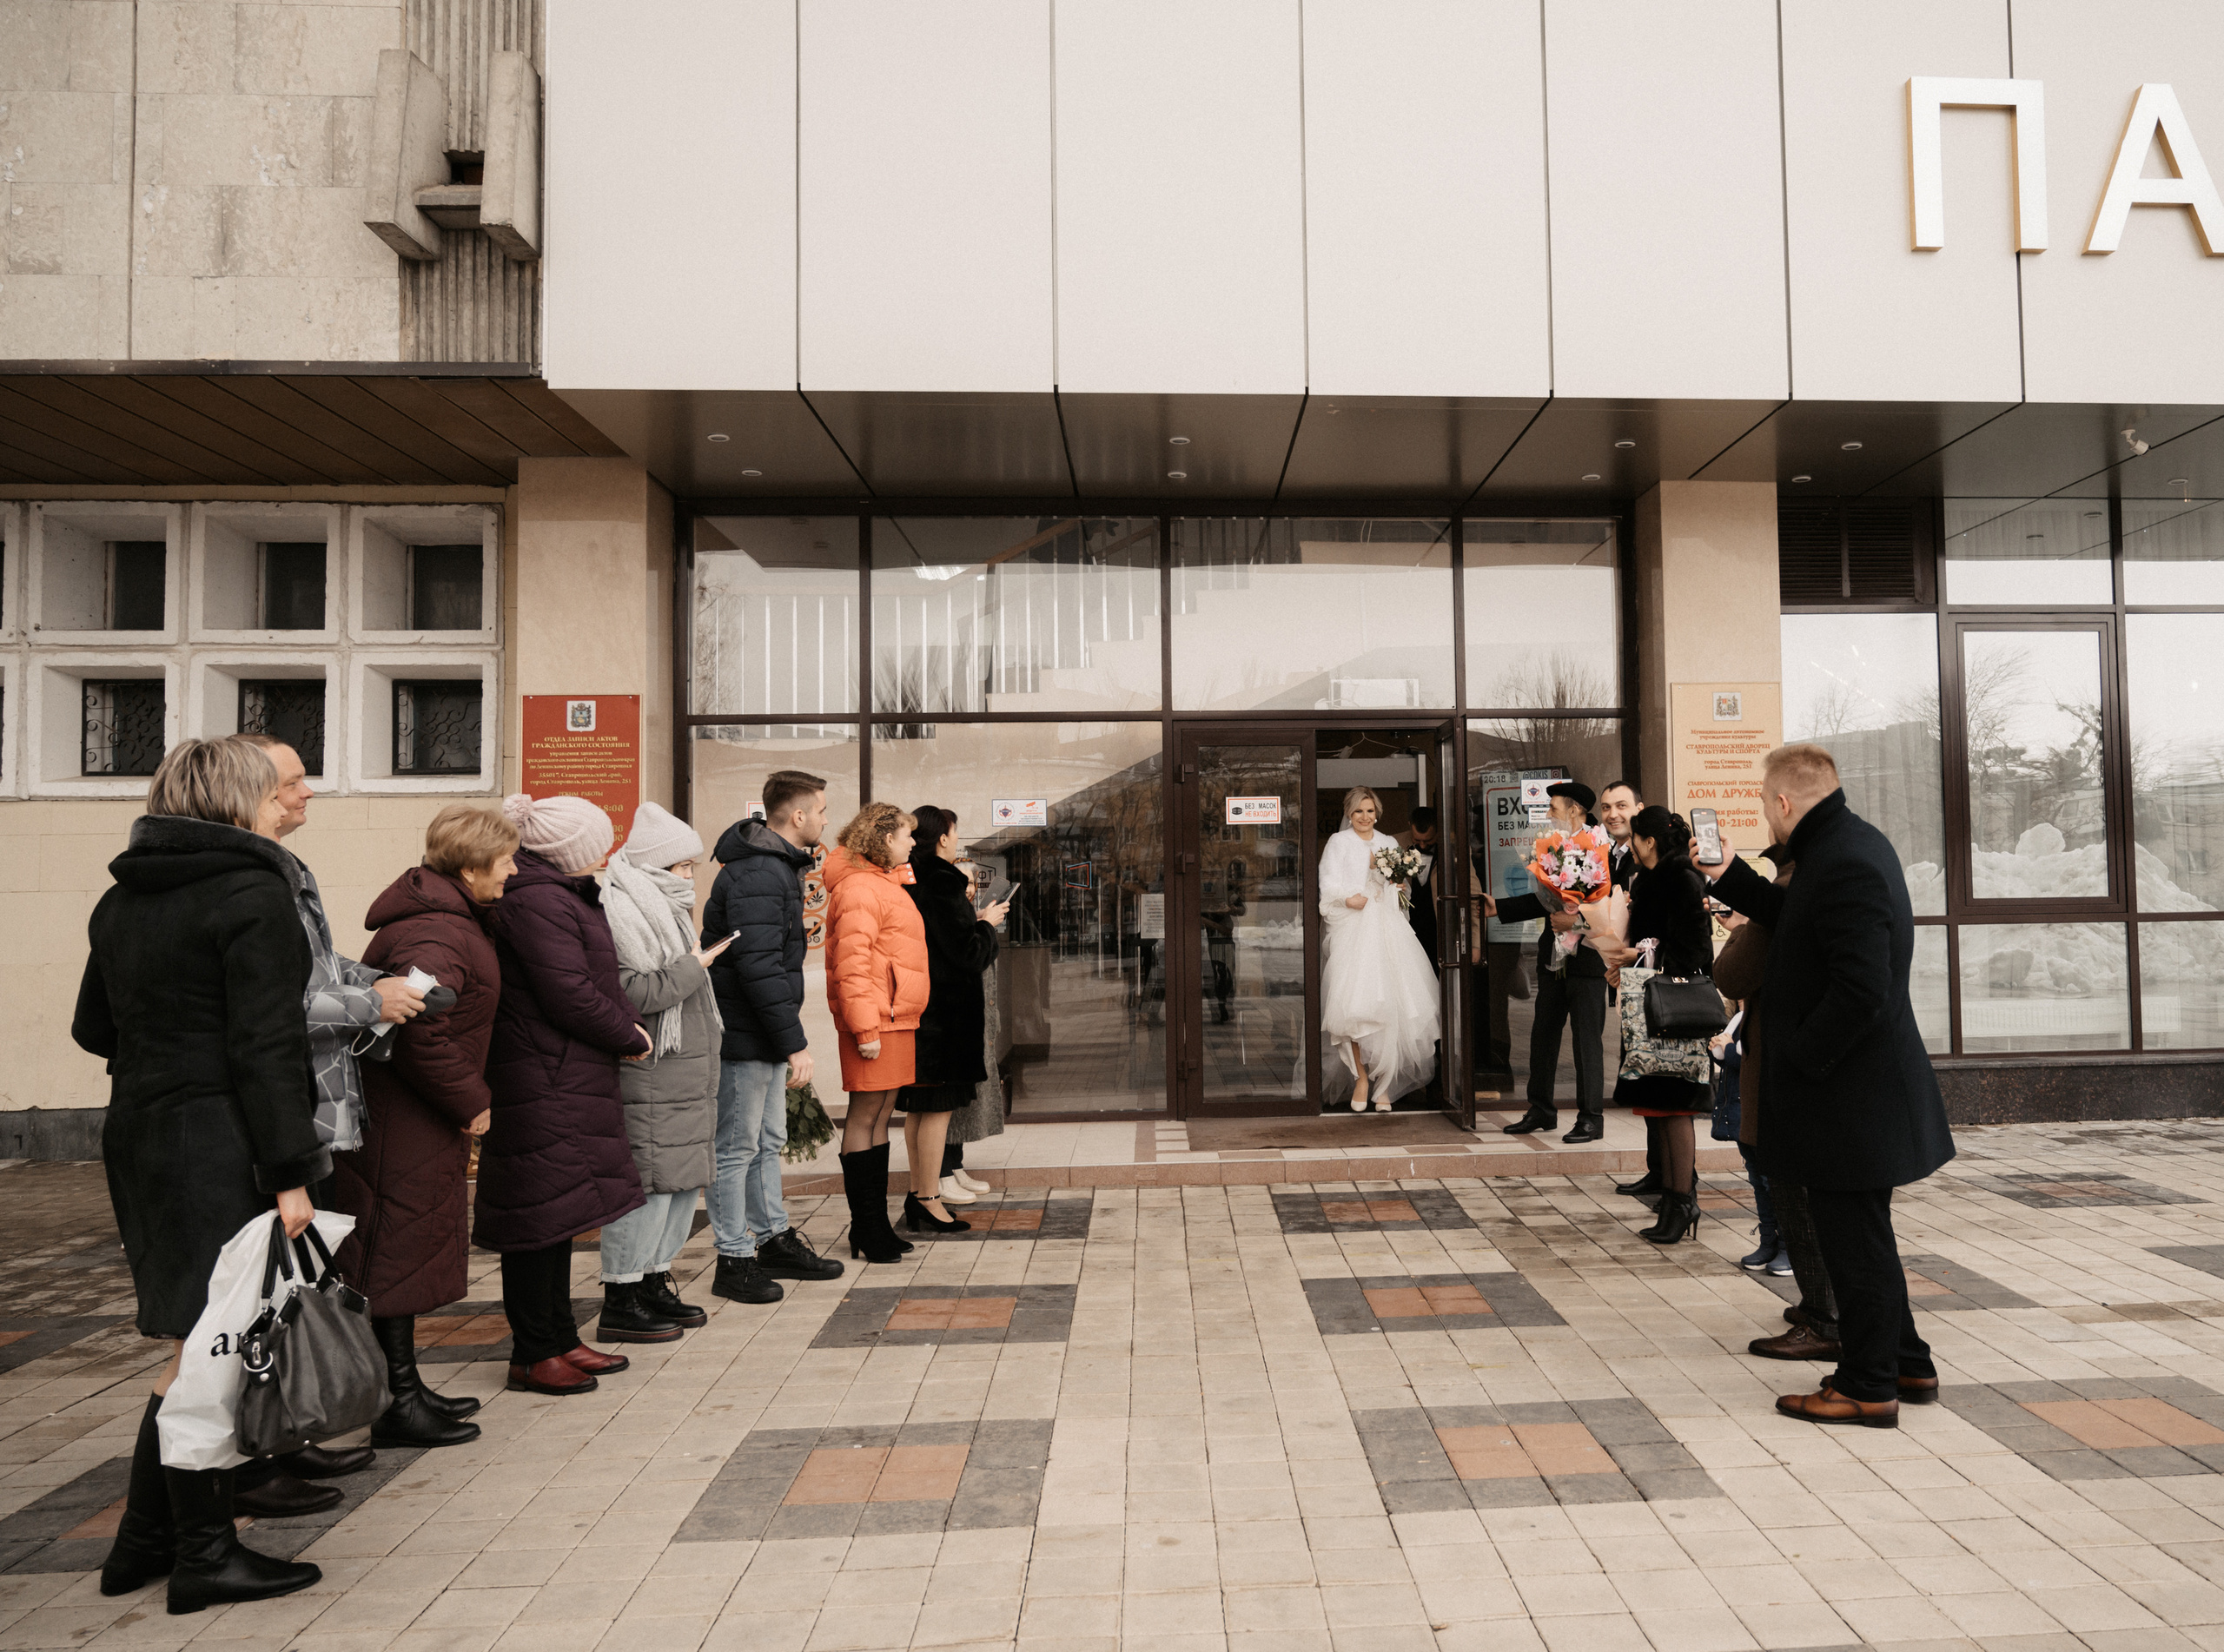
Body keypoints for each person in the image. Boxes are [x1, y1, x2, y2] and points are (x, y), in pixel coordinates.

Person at [71, 737, 325, 1614]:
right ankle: (205, 1557)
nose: (288, 804)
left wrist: (168, 1052)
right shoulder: (254, 894)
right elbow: (267, 1046)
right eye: (273, 789)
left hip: (142, 1130)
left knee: (191, 1342)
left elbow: (93, 1029)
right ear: (235, 799)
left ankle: (142, 1544)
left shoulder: (121, 898)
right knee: (214, 1351)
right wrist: (291, 1172)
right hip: (222, 1141)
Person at [1701, 743, 1954, 1428]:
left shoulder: (1842, 861)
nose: (1764, 811)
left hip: (1851, 1096)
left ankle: (1867, 1385)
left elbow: (1862, 990)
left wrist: (1799, 1062)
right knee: (1864, 1235)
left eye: (1763, 802)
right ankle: (1907, 1360)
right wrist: (1725, 873)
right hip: (1855, 1093)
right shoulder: (1837, 847)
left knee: (1854, 1243)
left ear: (1783, 802)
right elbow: (1793, 917)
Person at [236, 734, 428, 1508]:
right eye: (292, 782)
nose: (308, 792)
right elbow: (267, 1008)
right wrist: (369, 1002)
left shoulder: (282, 872)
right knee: (257, 1299)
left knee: (294, 1287)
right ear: (247, 792)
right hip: (282, 1114)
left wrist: (374, 979)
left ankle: (285, 1431)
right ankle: (248, 1461)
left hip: (317, 1103)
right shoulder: (247, 886)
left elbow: (311, 970)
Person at [330, 805, 517, 1449]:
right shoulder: (437, 935)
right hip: (403, 1119)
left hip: (413, 1116)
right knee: (393, 1251)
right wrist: (469, 1098)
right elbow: (419, 1029)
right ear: (470, 867)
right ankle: (396, 1402)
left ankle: (403, 1388)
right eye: (505, 860)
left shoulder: (450, 921)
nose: (513, 871)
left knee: (403, 1250)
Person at [477, 794, 653, 1396]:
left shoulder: (557, 893)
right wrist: (627, 1034)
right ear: (571, 848)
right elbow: (569, 991)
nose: (607, 847)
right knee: (537, 1214)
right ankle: (532, 1352)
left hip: (564, 1071)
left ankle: (559, 1336)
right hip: (540, 1074)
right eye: (600, 838)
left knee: (561, 1211)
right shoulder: (539, 900)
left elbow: (590, 979)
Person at [703, 772, 847, 1304]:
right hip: (745, 1031)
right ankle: (733, 1257)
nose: (827, 820)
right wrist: (794, 1042)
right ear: (797, 815)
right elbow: (757, 965)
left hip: (758, 1028)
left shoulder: (774, 867)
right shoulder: (761, 872)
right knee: (737, 1148)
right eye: (823, 810)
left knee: (764, 1143)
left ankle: (772, 1239)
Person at [598, 802, 731, 1342]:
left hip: (681, 1075)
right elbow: (634, 992)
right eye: (682, 867)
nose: (690, 878)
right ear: (654, 868)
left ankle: (654, 1280)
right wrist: (694, 966)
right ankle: (622, 1295)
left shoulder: (664, 910)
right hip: (651, 1075)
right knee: (649, 1187)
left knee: (679, 1185)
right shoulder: (621, 910)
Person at [1712, 846, 1844, 1363]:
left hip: (1787, 1072)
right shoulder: (1836, 873)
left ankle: (1824, 1316)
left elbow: (1733, 974)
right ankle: (1828, 1307)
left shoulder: (1791, 889)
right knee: (1820, 1199)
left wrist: (1748, 924)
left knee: (1794, 1194)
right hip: (1821, 1075)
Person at [1588, 806, 1716, 1243]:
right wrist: (1628, 963)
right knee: (1660, 1108)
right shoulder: (1653, 879)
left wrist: (1640, 957)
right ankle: (1672, 1199)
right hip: (1650, 1006)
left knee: (1676, 1108)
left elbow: (1696, 952)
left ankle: (1682, 1202)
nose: (1632, 844)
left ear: (1649, 842)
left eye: (1636, 838)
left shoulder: (1681, 878)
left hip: (1675, 1014)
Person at [1482, 781, 1621, 1142]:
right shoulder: (1554, 847)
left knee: (1586, 1040)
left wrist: (1576, 922)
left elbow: (1614, 907)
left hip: (1589, 960)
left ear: (1575, 809)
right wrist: (1500, 907)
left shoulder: (1602, 848)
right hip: (1554, 958)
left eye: (1554, 808)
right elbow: (1548, 899)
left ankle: (1591, 1118)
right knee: (1543, 1034)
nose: (1549, 814)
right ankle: (1541, 1109)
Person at [822, 803, 931, 1259]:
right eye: (907, 835)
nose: (912, 842)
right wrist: (865, 1028)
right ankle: (866, 1228)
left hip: (895, 1017)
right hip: (876, 1020)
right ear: (885, 839)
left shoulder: (883, 883)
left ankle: (874, 1226)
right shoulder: (861, 888)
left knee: (882, 1113)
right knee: (866, 1114)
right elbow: (853, 965)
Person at [899, 806, 1009, 1230]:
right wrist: (986, 926)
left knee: (919, 1110)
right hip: (946, 1017)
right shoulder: (943, 882)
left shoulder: (910, 878)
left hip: (923, 1010)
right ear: (943, 837)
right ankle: (929, 1198)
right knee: (936, 1110)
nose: (958, 837)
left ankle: (920, 1193)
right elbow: (966, 955)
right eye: (955, 830)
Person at [1318, 786, 1442, 1113]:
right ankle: (1361, 1077)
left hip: (1388, 929)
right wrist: (1346, 898)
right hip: (1353, 929)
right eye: (1359, 811)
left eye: (1370, 811)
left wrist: (1398, 885)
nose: (1365, 817)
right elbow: (1327, 883)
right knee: (1354, 1008)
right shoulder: (1337, 843)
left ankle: (1385, 1084)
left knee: (1394, 1006)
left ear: (1378, 813)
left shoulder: (1389, 843)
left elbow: (1400, 886)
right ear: (1349, 813)